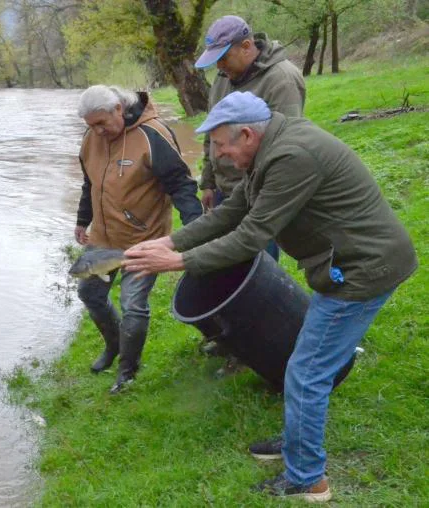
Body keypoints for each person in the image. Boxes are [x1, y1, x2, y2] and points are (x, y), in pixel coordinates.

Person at [121, 91, 417, 502]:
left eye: (222, 146)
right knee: (306, 366)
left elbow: (250, 237)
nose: (220, 156)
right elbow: (230, 212)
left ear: (246, 134)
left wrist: (178, 262)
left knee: (306, 372)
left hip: (364, 270)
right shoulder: (268, 149)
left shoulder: (291, 157)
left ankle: (308, 479)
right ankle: (300, 440)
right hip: (351, 263)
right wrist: (169, 241)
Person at [74, 85, 202, 394]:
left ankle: (127, 371)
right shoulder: (93, 137)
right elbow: (89, 183)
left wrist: (196, 230)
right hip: (103, 238)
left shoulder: (153, 135)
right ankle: (115, 346)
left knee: (133, 303)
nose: (97, 131)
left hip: (144, 239)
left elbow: (182, 186)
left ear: (119, 109)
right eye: (90, 126)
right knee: (89, 293)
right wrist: (82, 221)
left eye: (101, 123)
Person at [195, 15, 305, 261]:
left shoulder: (282, 79)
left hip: (257, 194)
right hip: (225, 191)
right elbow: (212, 134)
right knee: (223, 263)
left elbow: (286, 145)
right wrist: (209, 182)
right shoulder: (223, 79)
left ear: (246, 46)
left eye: (223, 58)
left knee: (257, 268)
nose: (219, 67)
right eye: (216, 61)